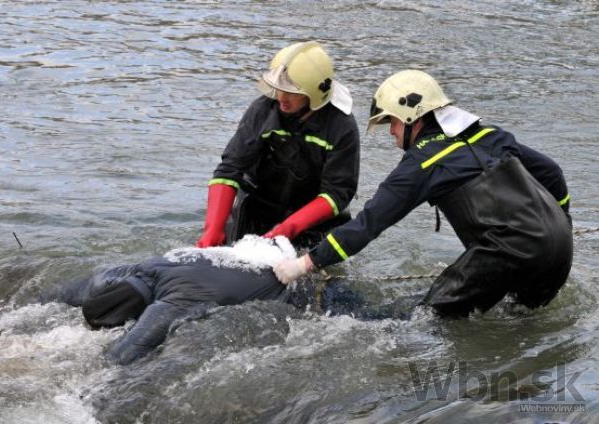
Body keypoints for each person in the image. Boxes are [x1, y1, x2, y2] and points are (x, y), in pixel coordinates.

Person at [273, 70, 573, 317]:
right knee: (517, 320)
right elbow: (551, 172)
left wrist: (304, 264)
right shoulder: (490, 134)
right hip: (560, 249)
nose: (390, 132)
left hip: (509, 252)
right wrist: (561, 224)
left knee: (423, 321)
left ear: (410, 119)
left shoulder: (424, 160)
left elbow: (369, 222)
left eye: (391, 121)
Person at [197, 41, 360, 248]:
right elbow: (229, 171)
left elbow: (337, 193)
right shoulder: (262, 111)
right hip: (256, 215)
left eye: (291, 91)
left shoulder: (341, 127)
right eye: (279, 87)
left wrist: (286, 230)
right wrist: (213, 229)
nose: (282, 97)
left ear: (314, 93)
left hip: (313, 225)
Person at [60, 236, 296, 364]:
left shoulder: (174, 301)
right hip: (269, 250)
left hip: (286, 285)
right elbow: (74, 290)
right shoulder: (151, 264)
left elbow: (123, 354)